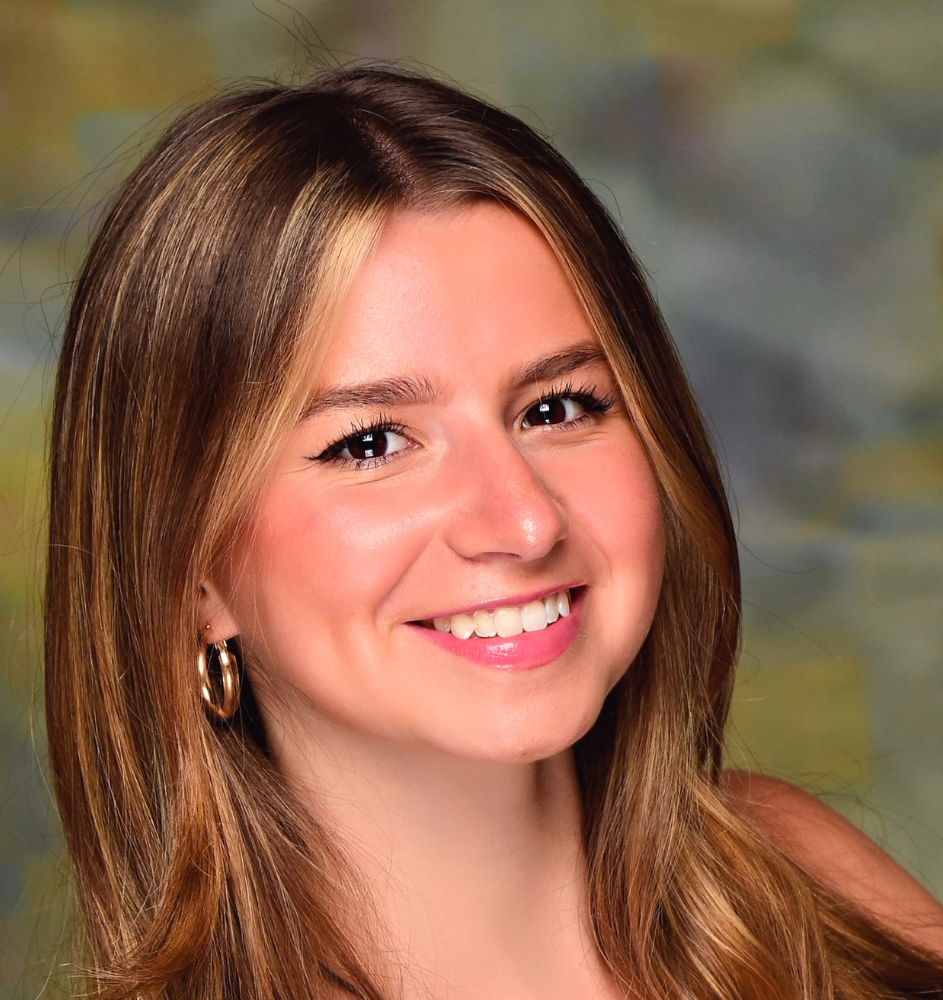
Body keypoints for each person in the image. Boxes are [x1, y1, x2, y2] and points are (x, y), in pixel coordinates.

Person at [44, 66, 943, 1000]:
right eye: (370, 442)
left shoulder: (797, 880)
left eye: (556, 407)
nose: (522, 521)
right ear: (193, 577)